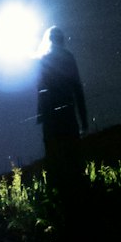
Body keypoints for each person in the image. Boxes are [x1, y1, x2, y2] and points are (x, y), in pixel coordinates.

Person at [37, 27, 87, 176]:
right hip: (67, 112)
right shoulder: (67, 57)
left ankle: (60, 190)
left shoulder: (44, 59)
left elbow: (41, 89)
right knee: (72, 154)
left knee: (56, 157)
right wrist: (83, 119)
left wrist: (41, 116)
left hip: (51, 116)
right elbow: (77, 87)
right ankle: (77, 188)